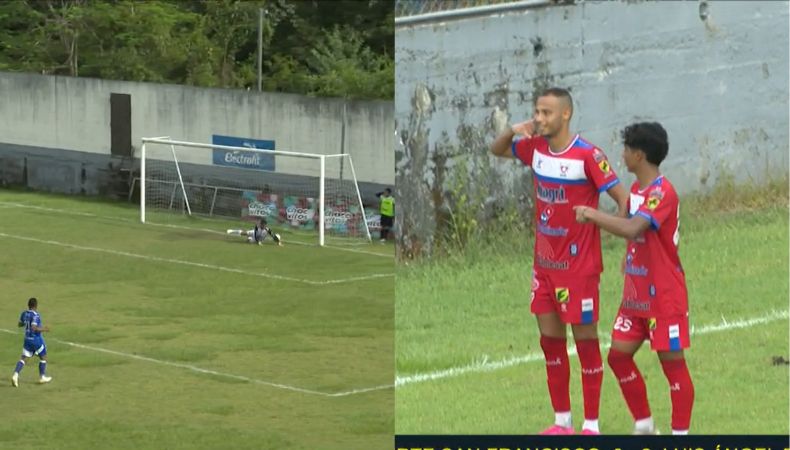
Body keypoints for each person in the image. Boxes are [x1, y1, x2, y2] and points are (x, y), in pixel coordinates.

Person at [490, 87, 629, 435]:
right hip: (544, 267)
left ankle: (592, 425)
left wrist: (618, 237)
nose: (539, 118)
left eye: (546, 113)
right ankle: (561, 422)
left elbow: (623, 198)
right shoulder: (535, 148)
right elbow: (497, 149)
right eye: (537, 112)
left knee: (585, 343)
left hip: (579, 269)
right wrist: (514, 129)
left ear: (565, 115)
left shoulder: (587, 156)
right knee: (550, 342)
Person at [573, 122, 693, 435]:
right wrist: (627, 259)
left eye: (626, 149)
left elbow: (633, 228)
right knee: (618, 356)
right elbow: (629, 229)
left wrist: (592, 214)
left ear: (639, 155)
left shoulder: (661, 193)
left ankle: (680, 435)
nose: (622, 155)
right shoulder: (637, 191)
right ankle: (644, 424)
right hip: (636, 295)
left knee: (673, 366)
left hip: (664, 295)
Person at [11, 297, 52, 387]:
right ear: (36, 305)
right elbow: (34, 328)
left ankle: (15, 375)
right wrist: (44, 329)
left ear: (28, 305)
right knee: (43, 357)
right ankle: (42, 376)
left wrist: (26, 323)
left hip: (27, 340)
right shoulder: (36, 315)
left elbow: (19, 324)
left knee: (24, 358)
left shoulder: (24, 313)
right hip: (36, 340)